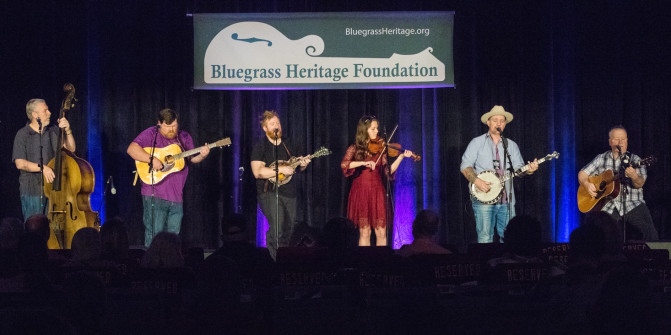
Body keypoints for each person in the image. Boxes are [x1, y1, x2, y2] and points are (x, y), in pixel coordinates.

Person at [127, 108, 210, 247]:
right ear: (159, 123)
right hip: (154, 194)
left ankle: (171, 264)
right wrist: (151, 159)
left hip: (176, 196)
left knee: (173, 238)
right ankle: (151, 265)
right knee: (154, 236)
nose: (172, 130)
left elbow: (192, 159)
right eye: (168, 127)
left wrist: (203, 155)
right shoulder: (150, 134)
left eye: (174, 126)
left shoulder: (184, 137)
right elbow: (131, 149)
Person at [460, 105, 538, 243]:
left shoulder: (511, 145)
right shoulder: (477, 143)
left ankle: (506, 263)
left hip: (506, 200)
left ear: (505, 124)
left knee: (509, 238)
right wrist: (477, 181)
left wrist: (529, 170)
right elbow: (465, 166)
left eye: (502, 121)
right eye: (495, 120)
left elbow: (519, 170)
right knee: (485, 237)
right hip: (483, 198)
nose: (498, 123)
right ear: (488, 122)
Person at [341, 115, 414, 246]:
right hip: (361, 192)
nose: (376, 131)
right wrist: (363, 162)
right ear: (365, 130)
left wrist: (401, 156)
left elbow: (388, 171)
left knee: (381, 231)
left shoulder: (381, 148)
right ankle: (365, 263)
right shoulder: (355, 148)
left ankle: (381, 262)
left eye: (377, 128)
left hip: (377, 192)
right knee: (365, 232)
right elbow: (345, 164)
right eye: (373, 129)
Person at [578, 125, 658, 241]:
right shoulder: (602, 158)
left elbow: (640, 184)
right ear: (610, 142)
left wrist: (634, 175)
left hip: (632, 202)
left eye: (623, 139)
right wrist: (586, 184)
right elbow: (582, 173)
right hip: (608, 204)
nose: (620, 142)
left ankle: (654, 256)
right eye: (616, 139)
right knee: (597, 233)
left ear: (627, 141)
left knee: (649, 230)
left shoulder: (635, 160)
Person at [251, 110, 310, 260]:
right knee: (277, 227)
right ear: (265, 128)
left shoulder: (288, 144)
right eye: (272, 124)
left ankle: (284, 258)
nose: (276, 126)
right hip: (268, 192)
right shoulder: (261, 147)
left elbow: (297, 167)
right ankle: (273, 260)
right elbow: (257, 172)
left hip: (289, 192)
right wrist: (280, 169)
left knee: (289, 229)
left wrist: (303, 164)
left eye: (278, 123)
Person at [12, 99, 76, 221]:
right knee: (34, 227)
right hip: (32, 191)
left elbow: (71, 149)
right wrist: (43, 168)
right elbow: (20, 163)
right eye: (45, 110)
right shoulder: (22, 134)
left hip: (53, 190)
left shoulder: (53, 130)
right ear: (35, 115)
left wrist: (67, 130)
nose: (49, 112)